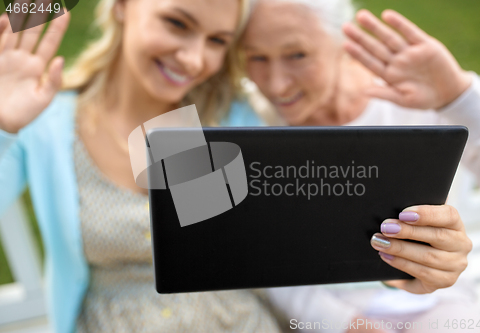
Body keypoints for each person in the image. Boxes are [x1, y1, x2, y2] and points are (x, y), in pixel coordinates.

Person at [0, 0, 281, 332]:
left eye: (217, 40)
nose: (194, 60)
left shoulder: (233, 118)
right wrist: (3, 128)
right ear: (121, 6)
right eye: (177, 24)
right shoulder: (48, 122)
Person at [238, 0, 480, 332]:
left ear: (343, 46)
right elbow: (257, 251)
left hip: (436, 298)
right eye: (256, 56)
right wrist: (342, 323)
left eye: (297, 55)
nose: (275, 84)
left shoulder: (412, 92)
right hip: (321, 307)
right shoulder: (249, 120)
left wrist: (459, 97)